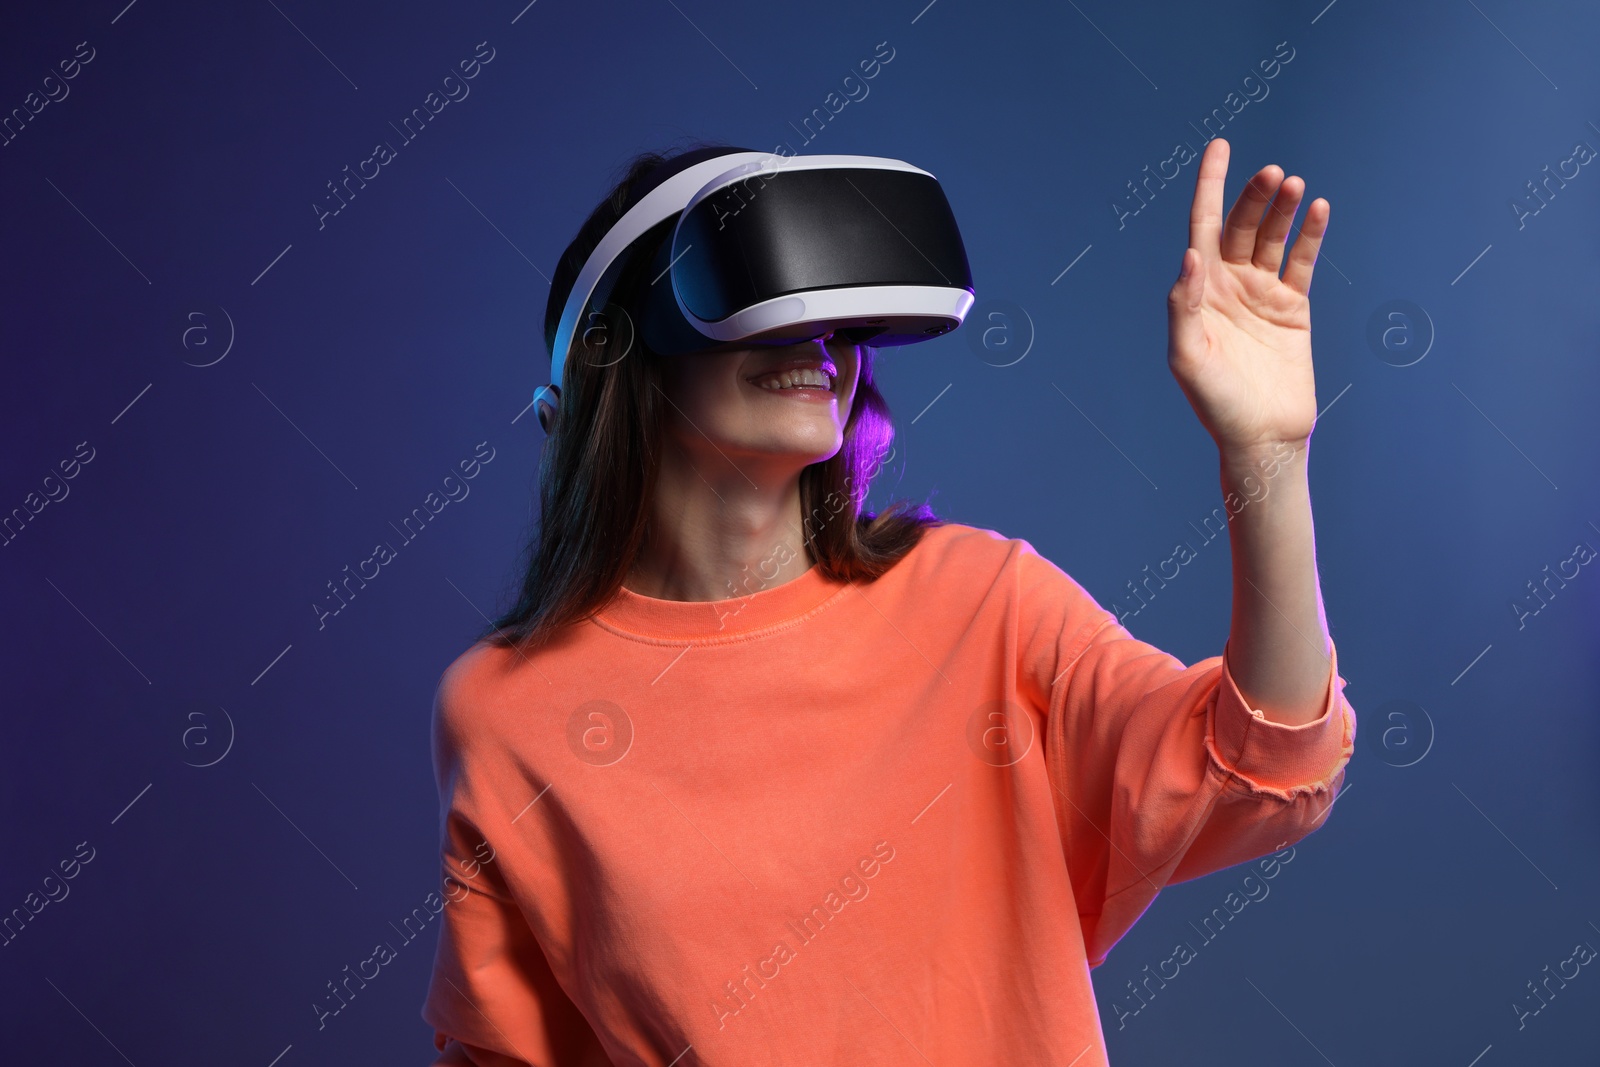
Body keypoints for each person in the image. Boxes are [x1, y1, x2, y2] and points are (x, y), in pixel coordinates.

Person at [420, 136, 1355, 1066]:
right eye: (769, 308)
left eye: (838, 320)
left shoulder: (985, 602)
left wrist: (1265, 455)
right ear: (616, 356)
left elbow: (1261, 771)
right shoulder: (507, 709)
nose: (819, 346)